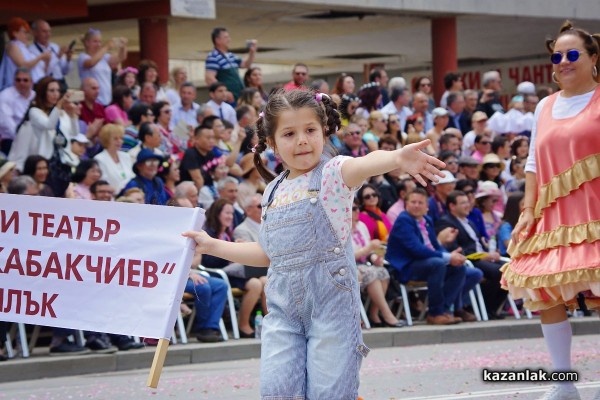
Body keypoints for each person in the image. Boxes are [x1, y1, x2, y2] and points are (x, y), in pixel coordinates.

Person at [183, 89, 445, 399]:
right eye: (289, 133)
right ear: (271, 142)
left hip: (331, 312)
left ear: (325, 132)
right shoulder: (272, 191)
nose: (302, 140)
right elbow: (269, 254)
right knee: (278, 392)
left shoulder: (334, 174)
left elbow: (366, 163)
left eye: (310, 130)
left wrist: (398, 157)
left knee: (329, 394)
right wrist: (211, 245)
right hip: (282, 315)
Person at [501, 21, 600, 400]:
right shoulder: (544, 105)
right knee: (547, 296)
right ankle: (564, 384)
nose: (563, 62)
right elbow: (532, 165)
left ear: (593, 59)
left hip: (594, 213)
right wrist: (527, 210)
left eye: (572, 54)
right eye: (557, 56)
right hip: (553, 217)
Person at [386, 188, 471, 325]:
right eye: (413, 202)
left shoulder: (427, 220)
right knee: (437, 264)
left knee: (458, 268)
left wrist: (452, 256)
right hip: (406, 267)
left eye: (420, 202)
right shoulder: (404, 220)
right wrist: (448, 257)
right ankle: (434, 313)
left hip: (425, 263)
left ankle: (444, 311)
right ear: (406, 204)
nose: (416, 205)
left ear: (427, 206)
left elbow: (435, 246)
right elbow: (417, 250)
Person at [436, 190, 507, 320]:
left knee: (511, 270)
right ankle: (485, 307)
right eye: (463, 203)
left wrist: (490, 252)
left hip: (483, 256)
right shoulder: (446, 222)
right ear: (452, 206)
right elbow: (456, 249)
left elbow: (479, 242)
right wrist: (482, 255)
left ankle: (493, 308)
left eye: (468, 202)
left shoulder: (469, 222)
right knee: (498, 271)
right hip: (470, 259)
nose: (467, 205)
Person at [350, 197, 404, 328]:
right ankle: (387, 314)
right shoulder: (340, 228)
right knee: (372, 274)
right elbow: (347, 255)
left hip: (363, 264)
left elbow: (369, 251)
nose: (357, 211)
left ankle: (374, 313)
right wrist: (368, 249)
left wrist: (375, 258)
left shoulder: (361, 226)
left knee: (382, 271)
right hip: (349, 265)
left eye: (357, 208)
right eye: (353, 209)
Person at [77, 28, 127, 106]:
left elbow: (120, 58)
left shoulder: (104, 57)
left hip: (107, 100)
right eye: (95, 41)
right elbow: (91, 63)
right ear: (87, 43)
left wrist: (123, 46)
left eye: (100, 42)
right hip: (93, 101)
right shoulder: (83, 57)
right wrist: (106, 47)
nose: (98, 44)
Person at [205, 27, 257, 101]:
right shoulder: (213, 56)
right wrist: (225, 92)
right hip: (228, 99)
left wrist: (252, 53)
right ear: (217, 40)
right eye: (226, 37)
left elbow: (245, 64)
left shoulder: (230, 55)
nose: (229, 39)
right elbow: (209, 78)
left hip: (239, 97)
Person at [0, 17, 50, 90]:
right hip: (20, 86)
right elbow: (23, 65)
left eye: (28, 32)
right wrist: (40, 57)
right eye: (24, 32)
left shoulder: (25, 48)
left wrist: (46, 61)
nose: (27, 35)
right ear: (15, 33)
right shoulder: (13, 46)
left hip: (35, 85)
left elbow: (41, 71)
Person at [29, 20, 73, 90]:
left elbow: (65, 71)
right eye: (44, 31)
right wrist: (58, 56)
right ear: (35, 33)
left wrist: (68, 59)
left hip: (60, 83)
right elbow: (43, 72)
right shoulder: (31, 50)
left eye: (49, 31)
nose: (48, 34)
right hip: (45, 86)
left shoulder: (55, 46)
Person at [0, 68, 35, 155]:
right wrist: (23, 139)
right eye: (18, 80)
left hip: (33, 139)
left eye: (25, 80)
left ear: (31, 82)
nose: (21, 83)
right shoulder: (5, 96)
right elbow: (7, 124)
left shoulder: (35, 96)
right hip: (11, 140)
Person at [93, 123, 135, 192]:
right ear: (106, 140)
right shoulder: (99, 159)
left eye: (121, 138)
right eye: (115, 139)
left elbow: (133, 176)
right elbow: (103, 182)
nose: (119, 141)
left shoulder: (126, 156)